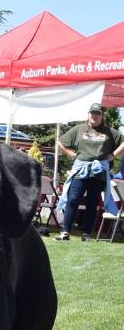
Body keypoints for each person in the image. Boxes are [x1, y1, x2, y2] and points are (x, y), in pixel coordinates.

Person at [56, 103, 124, 241]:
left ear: (102, 116)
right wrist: (70, 154)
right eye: (92, 113)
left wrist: (113, 155)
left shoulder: (110, 132)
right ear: (88, 115)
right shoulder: (78, 129)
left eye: (97, 113)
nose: (94, 115)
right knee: (73, 199)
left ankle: (86, 234)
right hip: (81, 169)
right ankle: (65, 232)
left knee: (92, 202)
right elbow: (60, 142)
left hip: (98, 171)